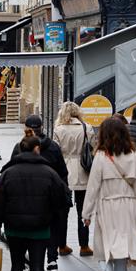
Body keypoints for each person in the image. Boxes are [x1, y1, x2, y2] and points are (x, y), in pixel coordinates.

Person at [0, 128, 69, 271]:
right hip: (40, 228)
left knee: (17, 266)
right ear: (36, 149)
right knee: (37, 268)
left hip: (15, 228)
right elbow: (62, 199)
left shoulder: (7, 174)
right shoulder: (49, 172)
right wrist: (53, 219)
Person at [82, 117, 136, 271]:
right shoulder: (135, 157)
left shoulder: (101, 157)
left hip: (107, 206)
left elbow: (93, 188)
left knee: (103, 250)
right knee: (122, 255)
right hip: (129, 208)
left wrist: (86, 213)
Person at [11, 115, 70, 271]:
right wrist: (64, 192)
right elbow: (62, 172)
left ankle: (23, 259)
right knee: (51, 227)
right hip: (49, 195)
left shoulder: (19, 147)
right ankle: (52, 260)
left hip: (25, 195)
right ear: (42, 127)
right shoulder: (53, 147)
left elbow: (11, 172)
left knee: (25, 227)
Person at [53, 102, 97, 257]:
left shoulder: (58, 129)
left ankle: (62, 244)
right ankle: (84, 246)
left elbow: (55, 150)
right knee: (82, 210)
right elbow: (93, 147)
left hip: (63, 170)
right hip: (82, 170)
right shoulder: (87, 127)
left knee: (63, 210)